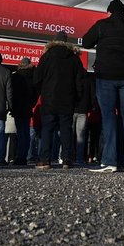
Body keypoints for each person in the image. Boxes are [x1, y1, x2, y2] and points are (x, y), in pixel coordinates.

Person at [83, 0, 124, 173]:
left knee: (109, 117)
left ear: (110, 12)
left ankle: (110, 160)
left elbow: (86, 41)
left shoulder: (102, 24)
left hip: (106, 75)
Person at [35, 31, 85, 170]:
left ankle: (45, 160)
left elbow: (37, 77)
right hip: (67, 99)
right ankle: (67, 160)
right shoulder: (74, 58)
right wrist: (77, 97)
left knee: (47, 129)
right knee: (66, 129)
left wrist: (42, 90)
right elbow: (79, 81)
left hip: (49, 98)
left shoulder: (47, 56)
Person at [9, 57, 36, 166]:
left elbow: (11, 93)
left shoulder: (15, 77)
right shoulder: (33, 76)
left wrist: (11, 106)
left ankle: (20, 156)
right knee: (26, 132)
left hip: (18, 107)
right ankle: (25, 155)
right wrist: (31, 104)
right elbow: (36, 93)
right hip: (28, 107)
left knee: (20, 132)